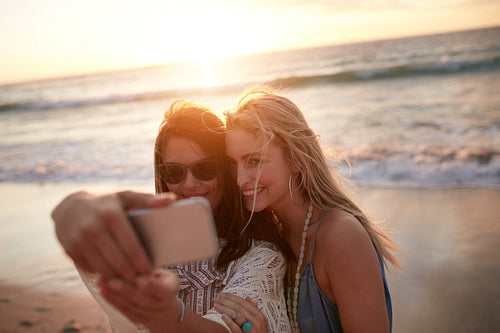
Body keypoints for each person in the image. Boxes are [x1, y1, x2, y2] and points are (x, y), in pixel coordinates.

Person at [52, 100, 292, 333]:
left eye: (204, 169)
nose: (189, 183)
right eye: (174, 172)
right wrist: (77, 206)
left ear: (226, 169)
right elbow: (92, 253)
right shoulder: (147, 244)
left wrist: (165, 315)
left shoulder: (260, 254)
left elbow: (224, 328)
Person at [214, 86, 399, 332]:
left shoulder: (342, 237)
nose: (239, 179)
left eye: (254, 161)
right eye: (233, 163)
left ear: (294, 159)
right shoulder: (271, 235)